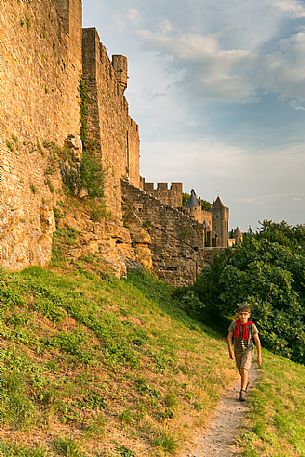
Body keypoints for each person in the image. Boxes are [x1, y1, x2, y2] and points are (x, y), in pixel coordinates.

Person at [227, 303, 262, 402]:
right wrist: (230, 350)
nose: (243, 316)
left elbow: (257, 341)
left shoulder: (252, 326)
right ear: (238, 314)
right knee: (241, 370)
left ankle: (242, 392)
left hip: (248, 350)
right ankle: (245, 382)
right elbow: (229, 337)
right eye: (241, 314)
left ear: (249, 315)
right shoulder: (234, 324)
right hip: (237, 350)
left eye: (245, 314)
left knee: (244, 368)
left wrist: (259, 356)